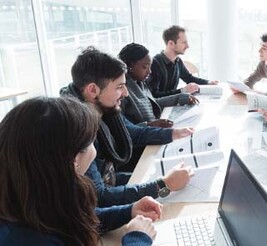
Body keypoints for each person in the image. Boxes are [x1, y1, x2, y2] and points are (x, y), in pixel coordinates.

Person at [0, 97, 158, 246]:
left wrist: (128, 211)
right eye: (91, 142)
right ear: (73, 160)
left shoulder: (27, 192)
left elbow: (68, 222)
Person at [60, 47, 194, 207]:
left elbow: (133, 133)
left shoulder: (103, 109)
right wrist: (163, 185)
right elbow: (100, 196)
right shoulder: (77, 130)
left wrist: (174, 134)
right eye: (119, 87)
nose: (126, 93)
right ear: (93, 90)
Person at [118, 42, 199, 127]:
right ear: (130, 65)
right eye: (145, 67)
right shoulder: (123, 91)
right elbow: (123, 128)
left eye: (150, 67)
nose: (149, 71)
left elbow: (153, 103)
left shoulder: (140, 83)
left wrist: (181, 97)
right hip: (145, 136)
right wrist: (149, 125)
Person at [147, 25, 218, 97]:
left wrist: (208, 82)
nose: (188, 46)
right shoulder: (155, 63)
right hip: (162, 107)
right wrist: (183, 90)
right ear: (171, 43)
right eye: (184, 42)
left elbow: (189, 78)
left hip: (171, 104)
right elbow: (154, 95)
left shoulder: (177, 61)